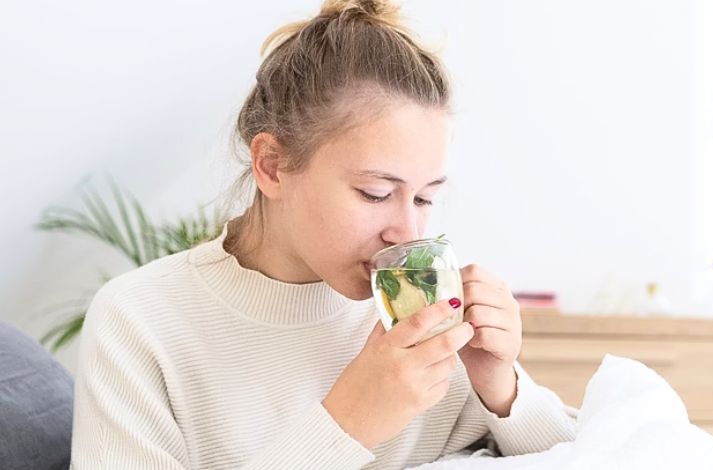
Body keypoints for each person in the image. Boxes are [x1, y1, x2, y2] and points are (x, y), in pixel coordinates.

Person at [69, 0, 577, 468]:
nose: (407, 231)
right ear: (272, 165)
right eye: (377, 193)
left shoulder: (425, 311)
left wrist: (501, 386)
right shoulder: (140, 324)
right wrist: (347, 424)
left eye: (424, 198)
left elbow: (590, 456)